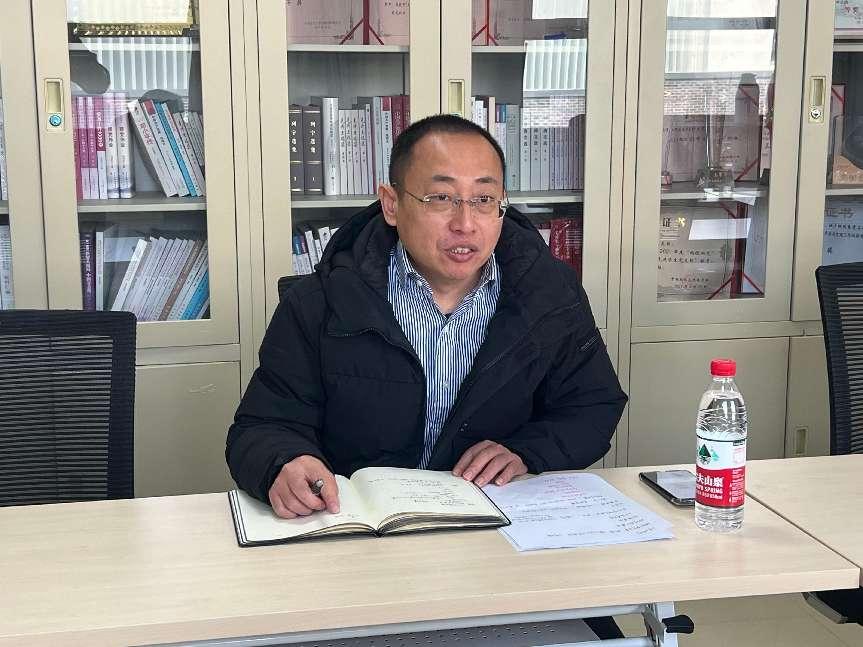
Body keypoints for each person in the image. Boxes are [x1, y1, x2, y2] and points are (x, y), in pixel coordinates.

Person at [227, 113, 628, 638]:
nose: (466, 223)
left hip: (498, 552)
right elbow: (262, 425)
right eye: (441, 198)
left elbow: (592, 405)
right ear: (392, 204)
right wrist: (285, 462)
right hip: (355, 560)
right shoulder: (321, 301)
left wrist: (528, 452)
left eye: (484, 199)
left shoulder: (548, 294)